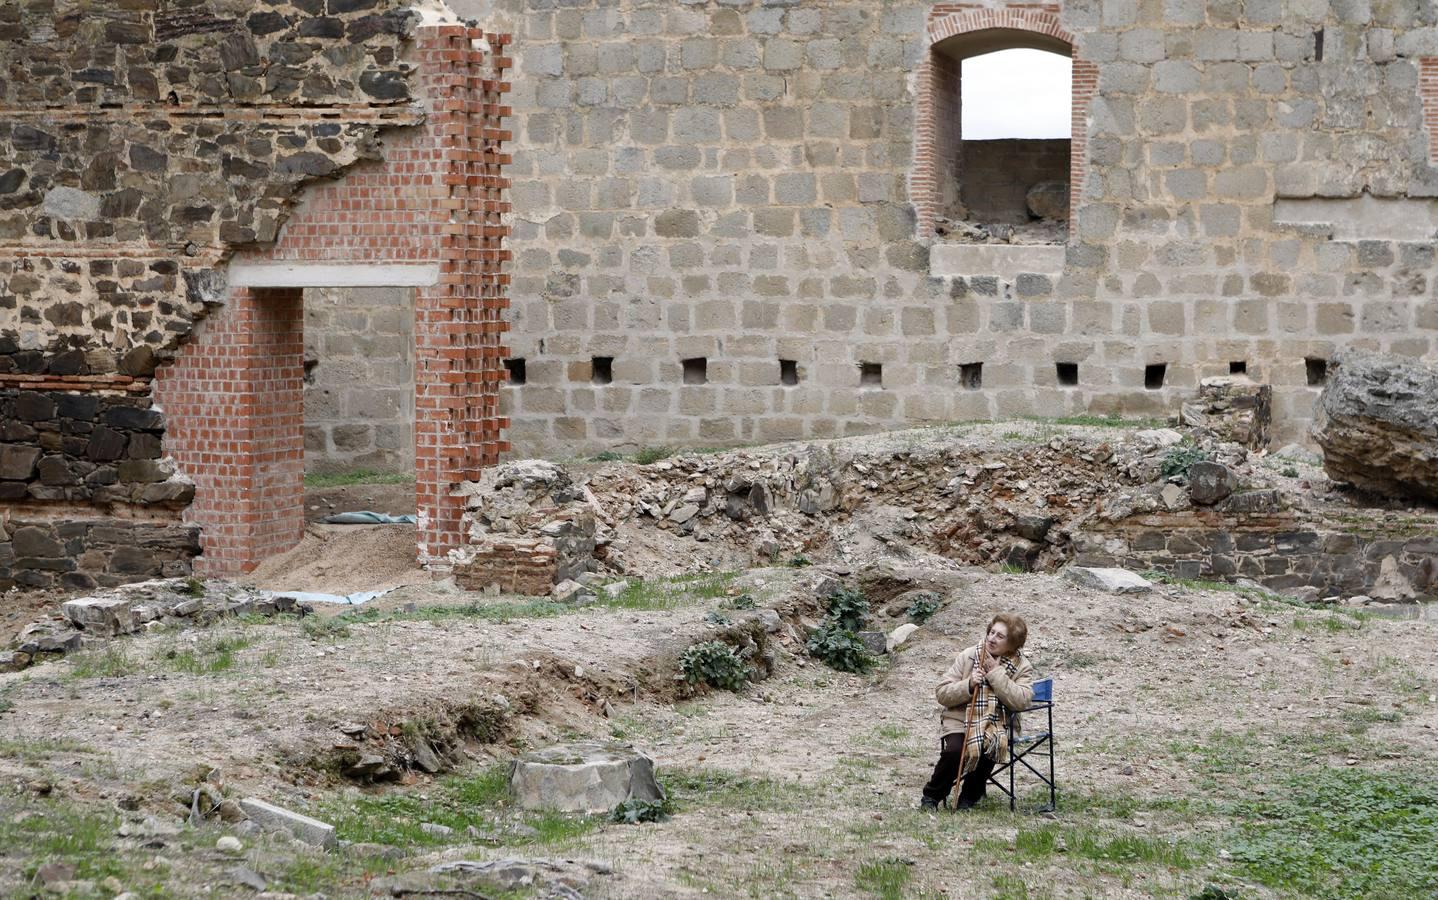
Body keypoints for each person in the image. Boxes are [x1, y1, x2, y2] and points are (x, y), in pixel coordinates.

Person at [920, 612, 1035, 810]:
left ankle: (969, 797)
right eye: (991, 632)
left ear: (1013, 643)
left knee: (992, 744)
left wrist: (995, 674)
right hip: (960, 719)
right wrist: (969, 685)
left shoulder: (1021, 666)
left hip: (997, 722)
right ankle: (931, 796)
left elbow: (1022, 700)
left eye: (1000, 636)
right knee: (955, 750)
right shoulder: (969, 655)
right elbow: (941, 693)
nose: (992, 638)